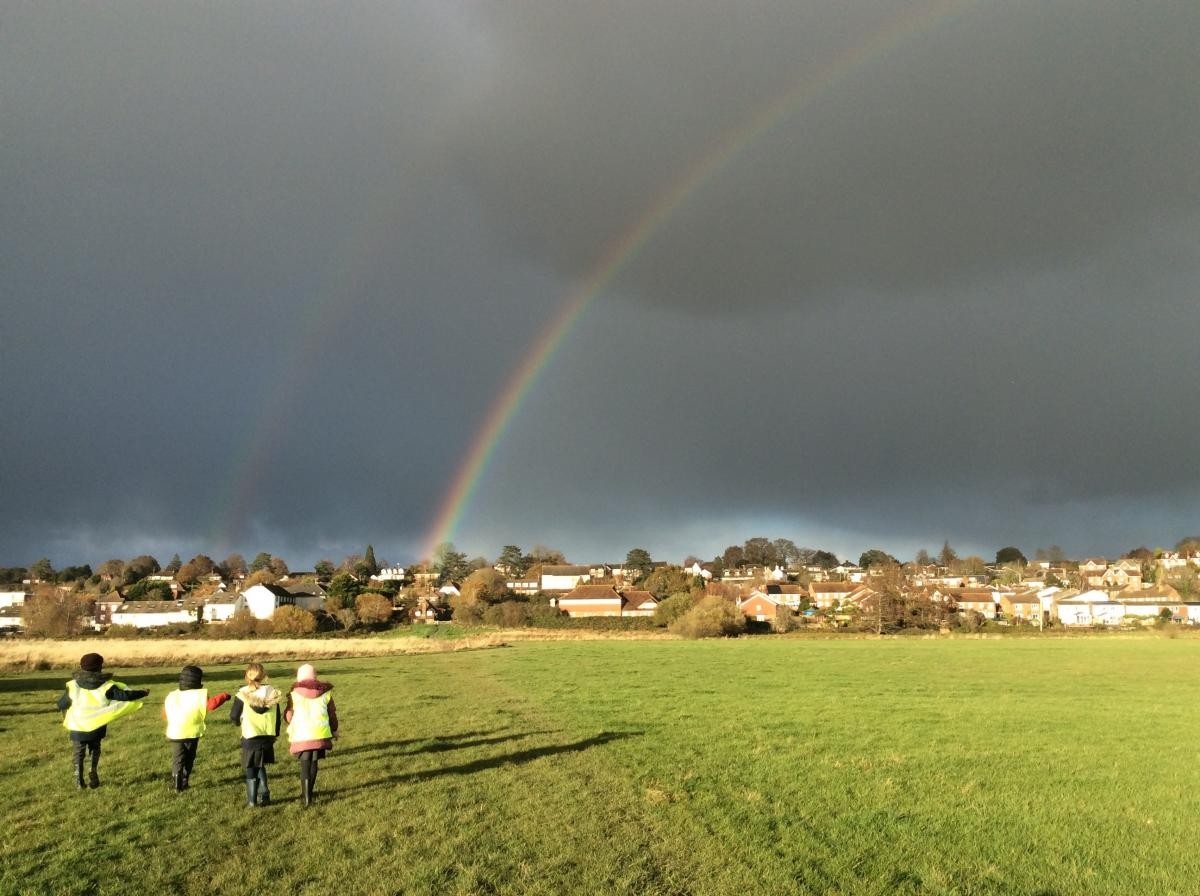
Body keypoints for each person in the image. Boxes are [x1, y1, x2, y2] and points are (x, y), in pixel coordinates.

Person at [57, 652, 149, 790]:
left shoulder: (73, 686)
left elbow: (62, 704)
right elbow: (125, 696)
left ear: (82, 667)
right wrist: (142, 692)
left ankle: (78, 779)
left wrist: (62, 707)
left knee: (78, 752)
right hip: (97, 726)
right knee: (95, 748)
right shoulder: (106, 686)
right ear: (100, 667)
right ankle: (93, 769)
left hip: (77, 726)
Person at [162, 665, 230, 792]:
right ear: (197, 681)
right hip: (192, 733)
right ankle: (185, 781)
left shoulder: (172, 696)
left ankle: (177, 785)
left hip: (176, 733)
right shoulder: (198, 695)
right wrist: (224, 696)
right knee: (189, 757)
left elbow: (165, 714)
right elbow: (212, 705)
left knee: (178, 758)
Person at [229, 661, 283, 807]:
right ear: (264, 675)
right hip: (268, 736)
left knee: (251, 769)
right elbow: (277, 716)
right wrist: (275, 733)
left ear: (247, 675)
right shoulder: (273, 693)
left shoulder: (243, 694)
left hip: (251, 735)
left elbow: (234, 716)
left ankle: (252, 802)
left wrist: (238, 723)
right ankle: (264, 793)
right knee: (259, 764)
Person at [285, 663, 338, 807]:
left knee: (304, 765)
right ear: (315, 676)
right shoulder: (326, 693)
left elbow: (289, 715)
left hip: (301, 734)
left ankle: (306, 797)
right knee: (314, 763)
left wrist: (290, 722)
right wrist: (334, 729)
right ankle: (310, 794)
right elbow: (331, 714)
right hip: (319, 734)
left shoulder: (294, 693)